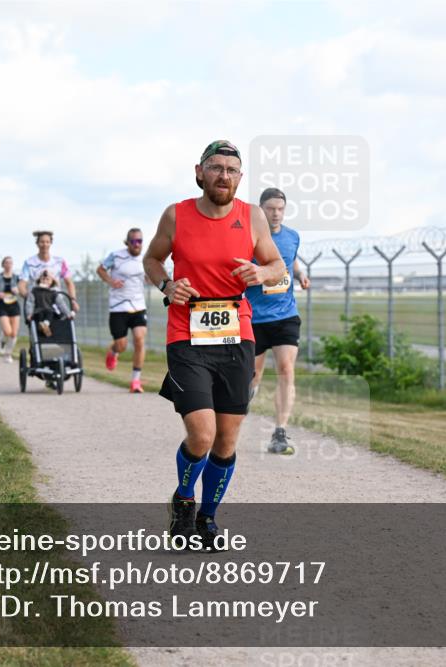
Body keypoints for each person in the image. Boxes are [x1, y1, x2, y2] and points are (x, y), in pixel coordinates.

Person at [144, 140, 285, 549]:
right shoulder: (177, 215)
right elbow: (152, 260)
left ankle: (207, 518)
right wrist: (168, 285)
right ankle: (184, 500)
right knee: (202, 434)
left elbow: (277, 265)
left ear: (240, 178)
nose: (224, 175)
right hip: (186, 333)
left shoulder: (252, 216)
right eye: (216, 167)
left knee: (226, 439)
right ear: (199, 172)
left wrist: (263, 272)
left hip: (236, 333)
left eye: (231, 170)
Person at [246, 188, 310, 455]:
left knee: (286, 369)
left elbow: (290, 261)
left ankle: (280, 432)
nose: (276, 213)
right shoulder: (248, 236)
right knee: (253, 375)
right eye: (271, 208)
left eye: (280, 209)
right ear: (261, 210)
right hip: (254, 317)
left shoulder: (293, 236)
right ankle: (242, 402)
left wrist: (300, 275)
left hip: (285, 315)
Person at [98, 227, 148, 392]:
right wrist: (111, 281)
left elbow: (150, 276)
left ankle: (135, 382)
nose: (136, 244)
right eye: (133, 241)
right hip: (118, 307)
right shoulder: (116, 255)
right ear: (127, 242)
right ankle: (113, 351)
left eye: (139, 241)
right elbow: (100, 270)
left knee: (140, 339)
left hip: (138, 306)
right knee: (122, 345)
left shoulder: (146, 258)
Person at [17, 231, 78, 316]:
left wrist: (73, 300)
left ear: (50, 243)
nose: (45, 244)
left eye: (47, 242)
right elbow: (21, 286)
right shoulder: (29, 263)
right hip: (37, 308)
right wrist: (30, 298)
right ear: (37, 243)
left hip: (57, 305)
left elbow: (69, 283)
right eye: (42, 242)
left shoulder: (59, 262)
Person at [24, 270, 72, 338]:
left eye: (47, 279)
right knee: (39, 314)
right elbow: (30, 303)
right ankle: (42, 327)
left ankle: (45, 325)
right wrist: (29, 314)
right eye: (43, 279)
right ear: (39, 280)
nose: (45, 281)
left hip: (49, 312)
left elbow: (61, 304)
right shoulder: (34, 291)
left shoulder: (53, 293)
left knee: (50, 312)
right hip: (38, 311)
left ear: (51, 282)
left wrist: (68, 314)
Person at [0, 256, 21, 363]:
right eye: (6, 262)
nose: (9, 265)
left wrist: (17, 291)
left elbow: (21, 289)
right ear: (3, 264)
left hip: (14, 305)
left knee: (14, 333)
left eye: (11, 263)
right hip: (2, 305)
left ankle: (8, 354)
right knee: (7, 331)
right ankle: (2, 340)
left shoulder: (17, 278)